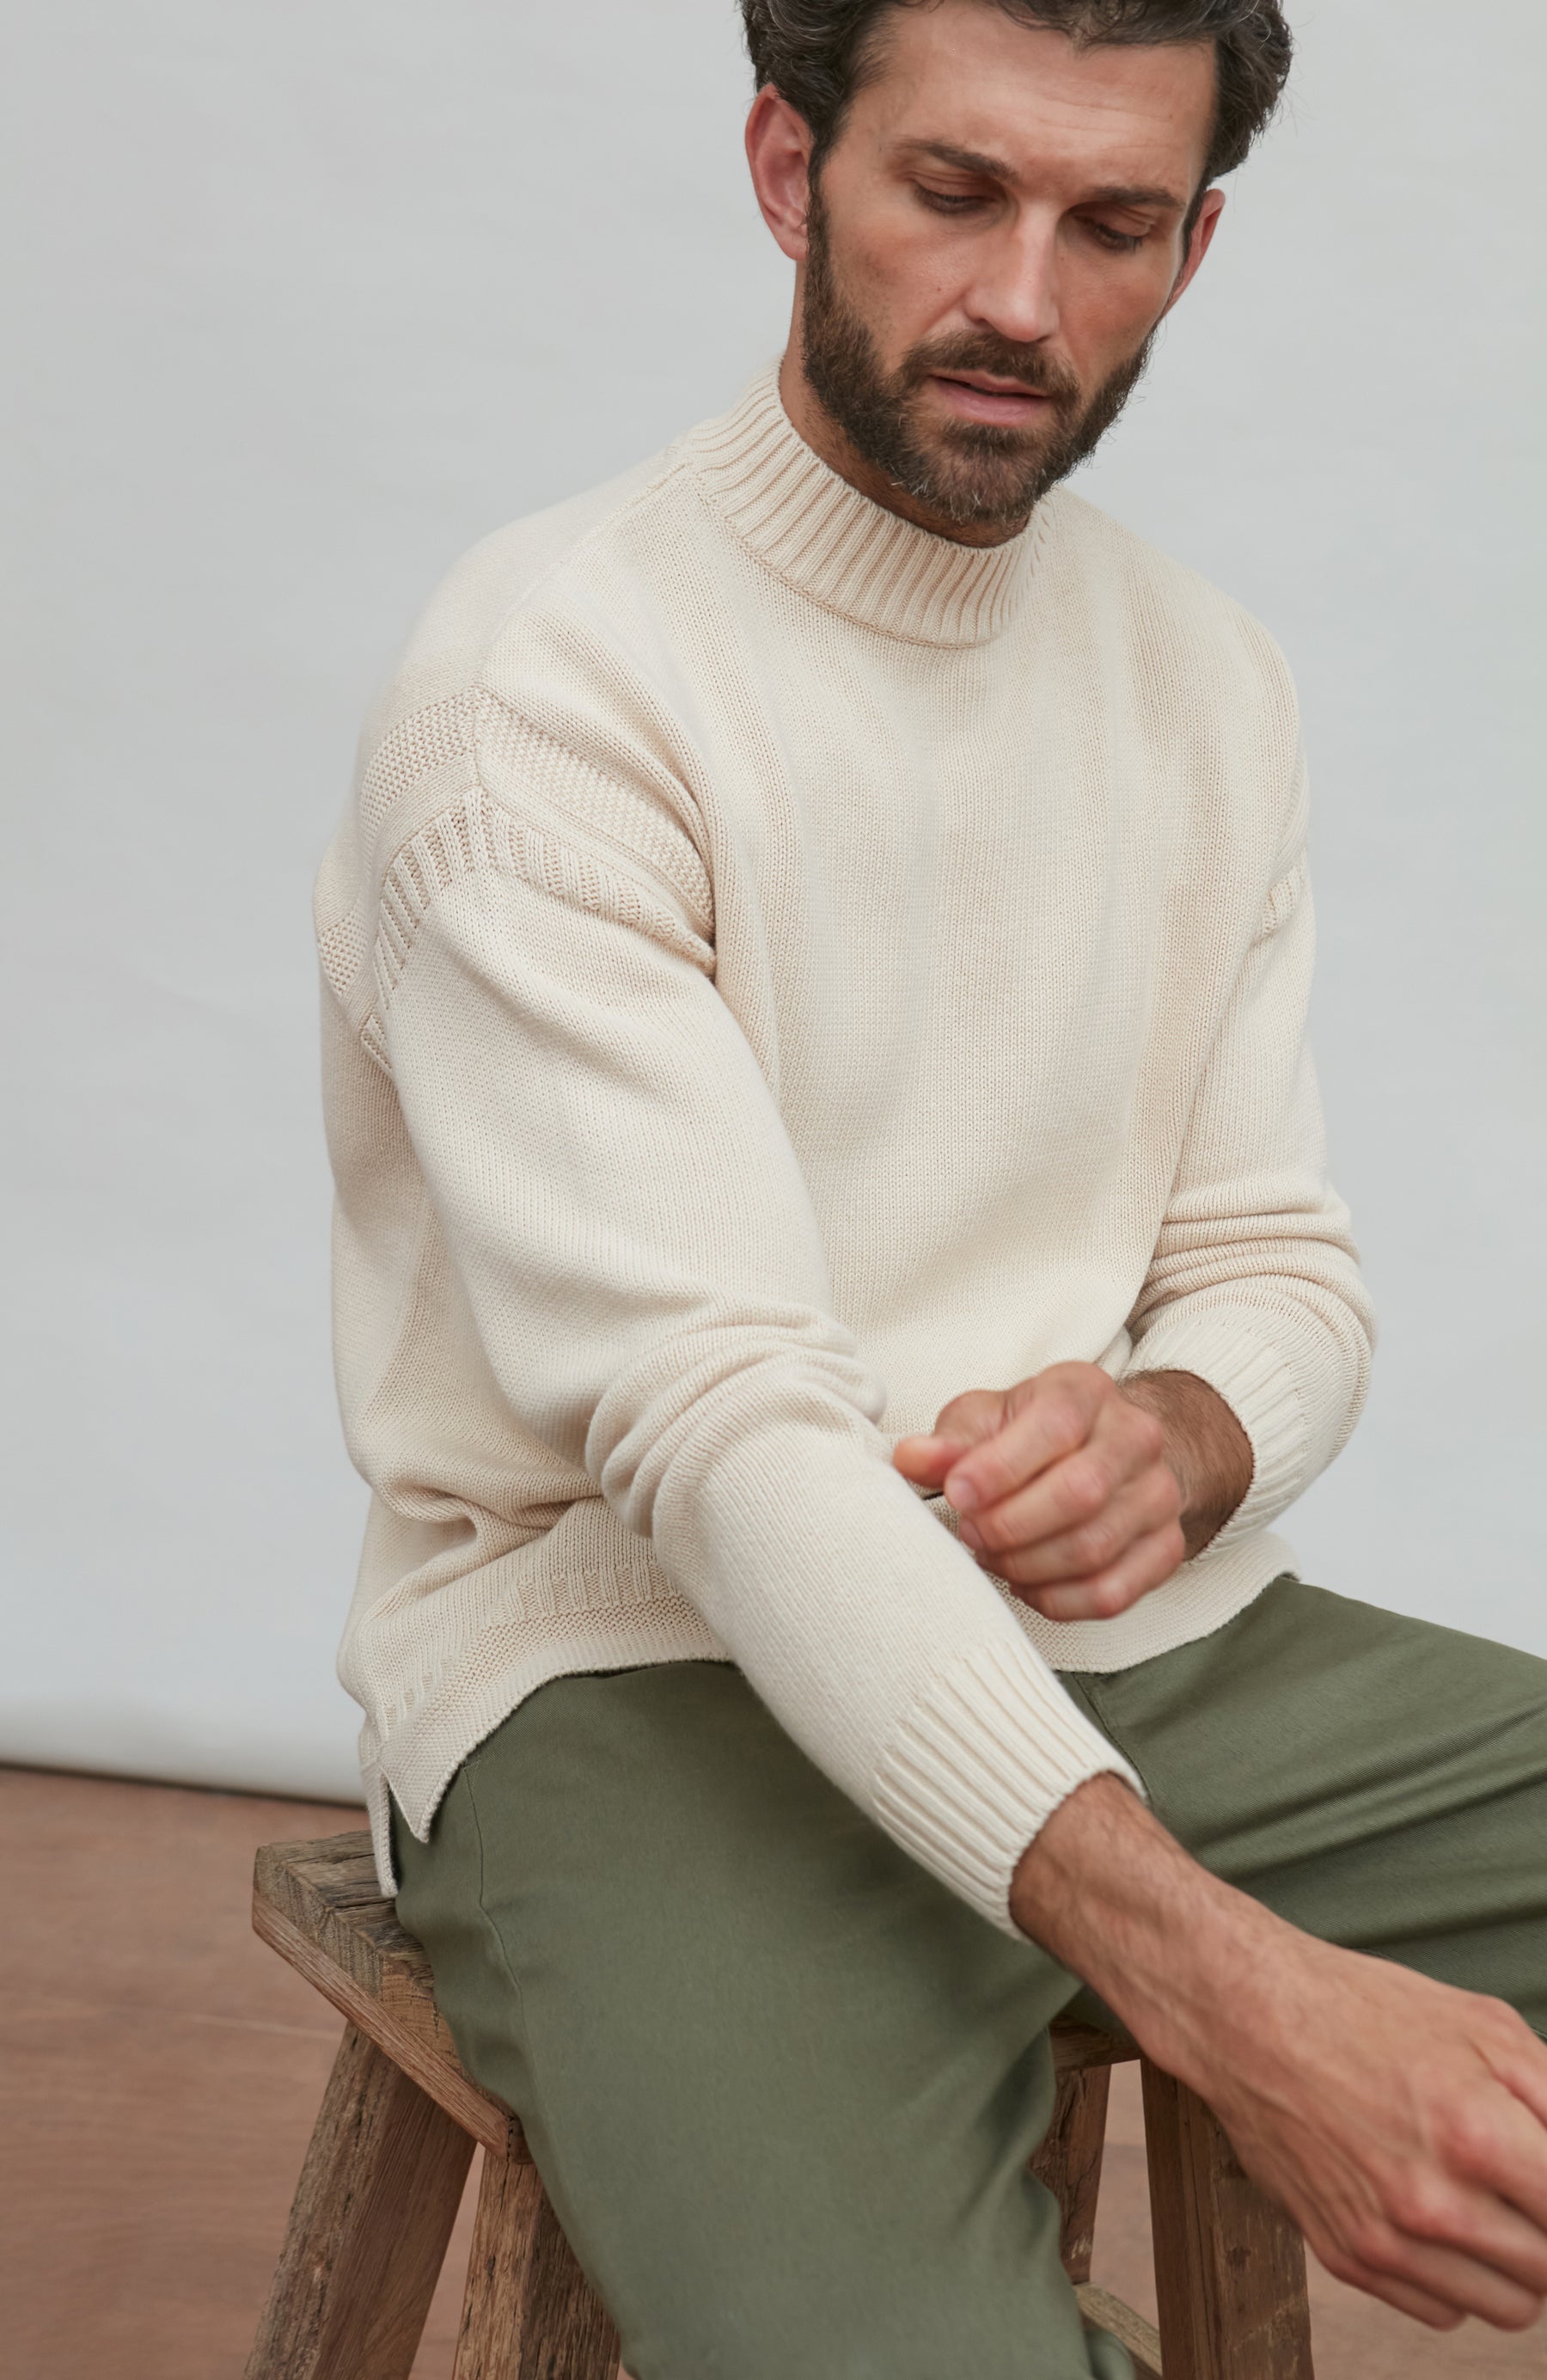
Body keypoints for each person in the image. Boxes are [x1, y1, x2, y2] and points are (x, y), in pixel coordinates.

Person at [315, 3, 1547, 2371]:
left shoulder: (1206, 682)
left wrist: (1181, 1429)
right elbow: (724, 1433)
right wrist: (1242, 1999)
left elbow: (1275, 1263)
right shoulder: (547, 693)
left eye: (1109, 225)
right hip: (627, 1673)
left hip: (1144, 1661)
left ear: (1196, 244)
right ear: (790, 167)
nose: (1022, 300)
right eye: (950, 192)